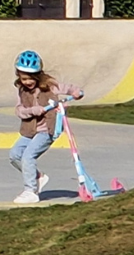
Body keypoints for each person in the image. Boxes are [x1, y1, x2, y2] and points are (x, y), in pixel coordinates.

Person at [10, 50, 82, 204]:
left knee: (28, 156)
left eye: (31, 78)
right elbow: (19, 110)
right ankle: (38, 177)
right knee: (15, 155)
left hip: (46, 130)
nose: (28, 82)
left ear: (38, 76)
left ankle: (31, 191)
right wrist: (32, 111)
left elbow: (65, 88)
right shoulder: (22, 90)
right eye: (24, 78)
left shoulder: (49, 86)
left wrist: (76, 92)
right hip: (30, 129)